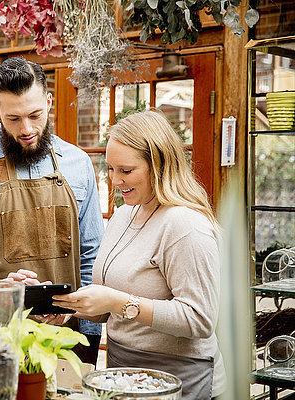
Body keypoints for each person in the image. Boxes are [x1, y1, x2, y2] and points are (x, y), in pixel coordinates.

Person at [0, 57, 105, 363]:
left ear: (49, 103)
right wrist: (0, 293)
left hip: (67, 340)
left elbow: (92, 260)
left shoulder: (78, 165)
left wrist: (85, 330)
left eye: (35, 115)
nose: (26, 129)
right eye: (13, 119)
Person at [46, 110, 225, 399]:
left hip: (179, 377)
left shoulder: (185, 225)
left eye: (126, 171)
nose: (115, 180)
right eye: (111, 169)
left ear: (160, 165)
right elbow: (116, 302)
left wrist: (119, 302)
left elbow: (200, 319)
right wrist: (68, 309)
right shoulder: (123, 215)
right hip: (123, 374)